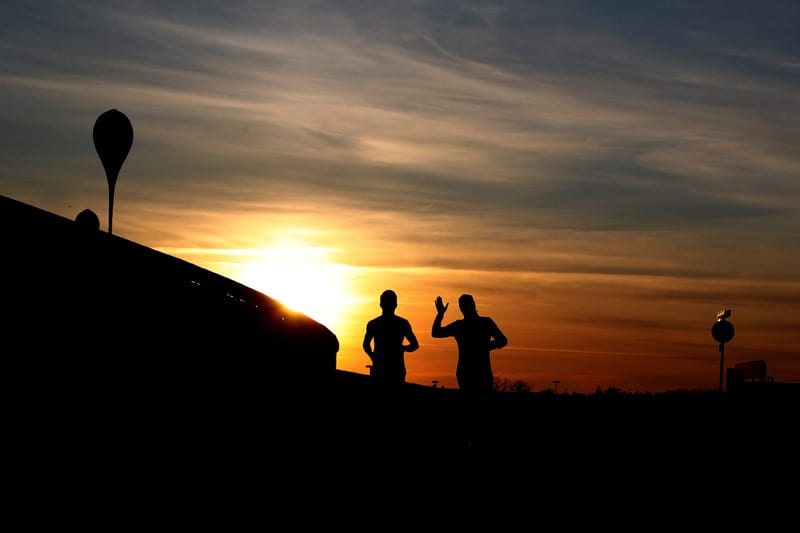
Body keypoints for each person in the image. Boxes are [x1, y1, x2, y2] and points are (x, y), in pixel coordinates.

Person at [432, 293, 508, 446]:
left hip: (474, 371)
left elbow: (503, 340)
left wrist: (440, 314)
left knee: (474, 406)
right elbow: (435, 333)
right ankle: (473, 440)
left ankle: (475, 439)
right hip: (472, 371)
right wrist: (487, 347)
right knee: (473, 407)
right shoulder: (478, 323)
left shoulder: (472, 324)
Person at [363, 289, 420, 394]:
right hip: (388, 368)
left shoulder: (374, 324)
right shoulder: (402, 323)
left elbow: (366, 345)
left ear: (380, 304)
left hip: (391, 368)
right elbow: (415, 345)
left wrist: (372, 355)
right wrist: (403, 348)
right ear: (396, 305)